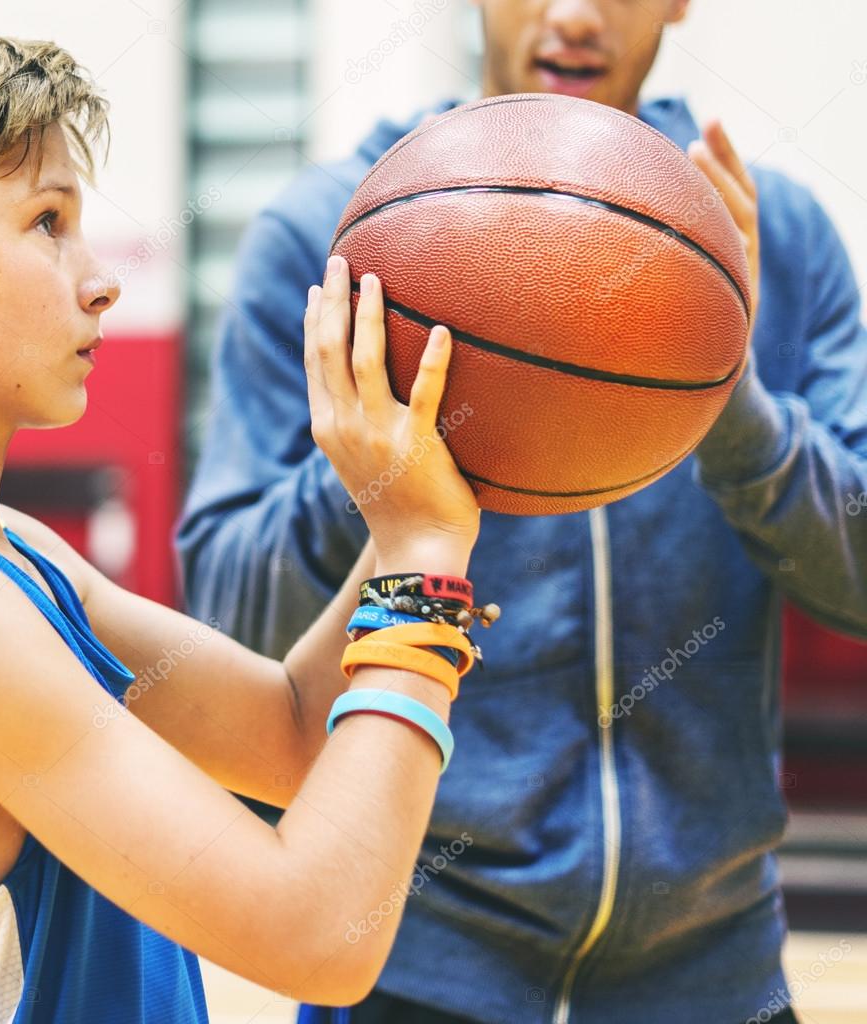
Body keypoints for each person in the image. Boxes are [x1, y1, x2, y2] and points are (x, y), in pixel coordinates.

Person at [177, 2, 867, 1022]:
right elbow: (228, 620)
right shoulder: (330, 239)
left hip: (711, 974)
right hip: (409, 970)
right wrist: (380, 458)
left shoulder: (779, 237)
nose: (573, 15)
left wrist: (735, 407)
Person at [0, 27, 493, 1023]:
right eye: (46, 221)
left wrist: (415, 498)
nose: (100, 279)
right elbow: (321, 937)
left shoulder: (8, 551)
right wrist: (421, 566)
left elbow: (289, 734)